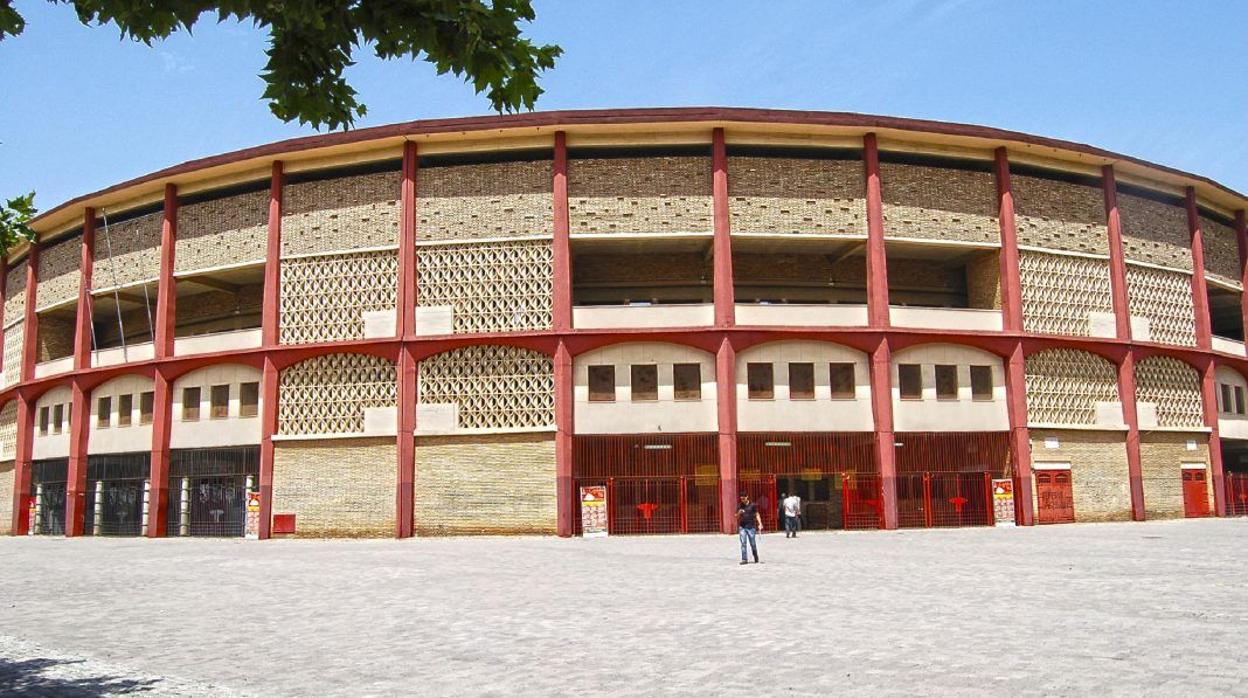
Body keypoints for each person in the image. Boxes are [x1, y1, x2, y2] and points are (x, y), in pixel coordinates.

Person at [736, 492, 762, 565]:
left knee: (752, 543)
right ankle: (744, 559)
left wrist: (760, 523)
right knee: (743, 543)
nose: (742, 500)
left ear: (747, 497)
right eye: (741, 499)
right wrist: (739, 513)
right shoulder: (740, 506)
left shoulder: (752, 505)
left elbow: (757, 514)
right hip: (742, 527)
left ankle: (755, 556)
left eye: (743, 498)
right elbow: (736, 517)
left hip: (751, 527)